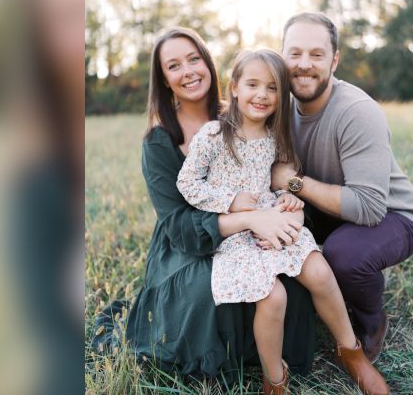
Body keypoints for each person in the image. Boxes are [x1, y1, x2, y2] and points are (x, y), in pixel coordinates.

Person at [90, 28, 316, 386]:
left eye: (194, 59)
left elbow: (275, 170)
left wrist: (286, 204)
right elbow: (178, 224)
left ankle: (275, 356)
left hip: (254, 227)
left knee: (291, 274)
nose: (188, 71)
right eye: (174, 66)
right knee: (204, 292)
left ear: (209, 64)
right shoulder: (159, 141)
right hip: (188, 241)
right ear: (164, 80)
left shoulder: (243, 113)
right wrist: (251, 220)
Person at [177, 49, 389, 395]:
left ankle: (352, 353)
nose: (262, 94)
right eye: (253, 84)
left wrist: (289, 200)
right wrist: (230, 201)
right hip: (236, 233)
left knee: (320, 272)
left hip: (274, 222)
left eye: (272, 88)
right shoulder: (213, 135)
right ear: (234, 87)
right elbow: (187, 183)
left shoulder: (276, 137)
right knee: (272, 297)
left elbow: (278, 184)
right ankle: (275, 381)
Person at [271, 12, 413, 367]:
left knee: (346, 255)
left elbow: (368, 208)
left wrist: (293, 183)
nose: (304, 64)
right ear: (282, 56)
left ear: (334, 60)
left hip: (391, 214)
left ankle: (371, 322)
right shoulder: (276, 105)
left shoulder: (357, 111)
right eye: (295, 53)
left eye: (317, 54)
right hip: (324, 208)